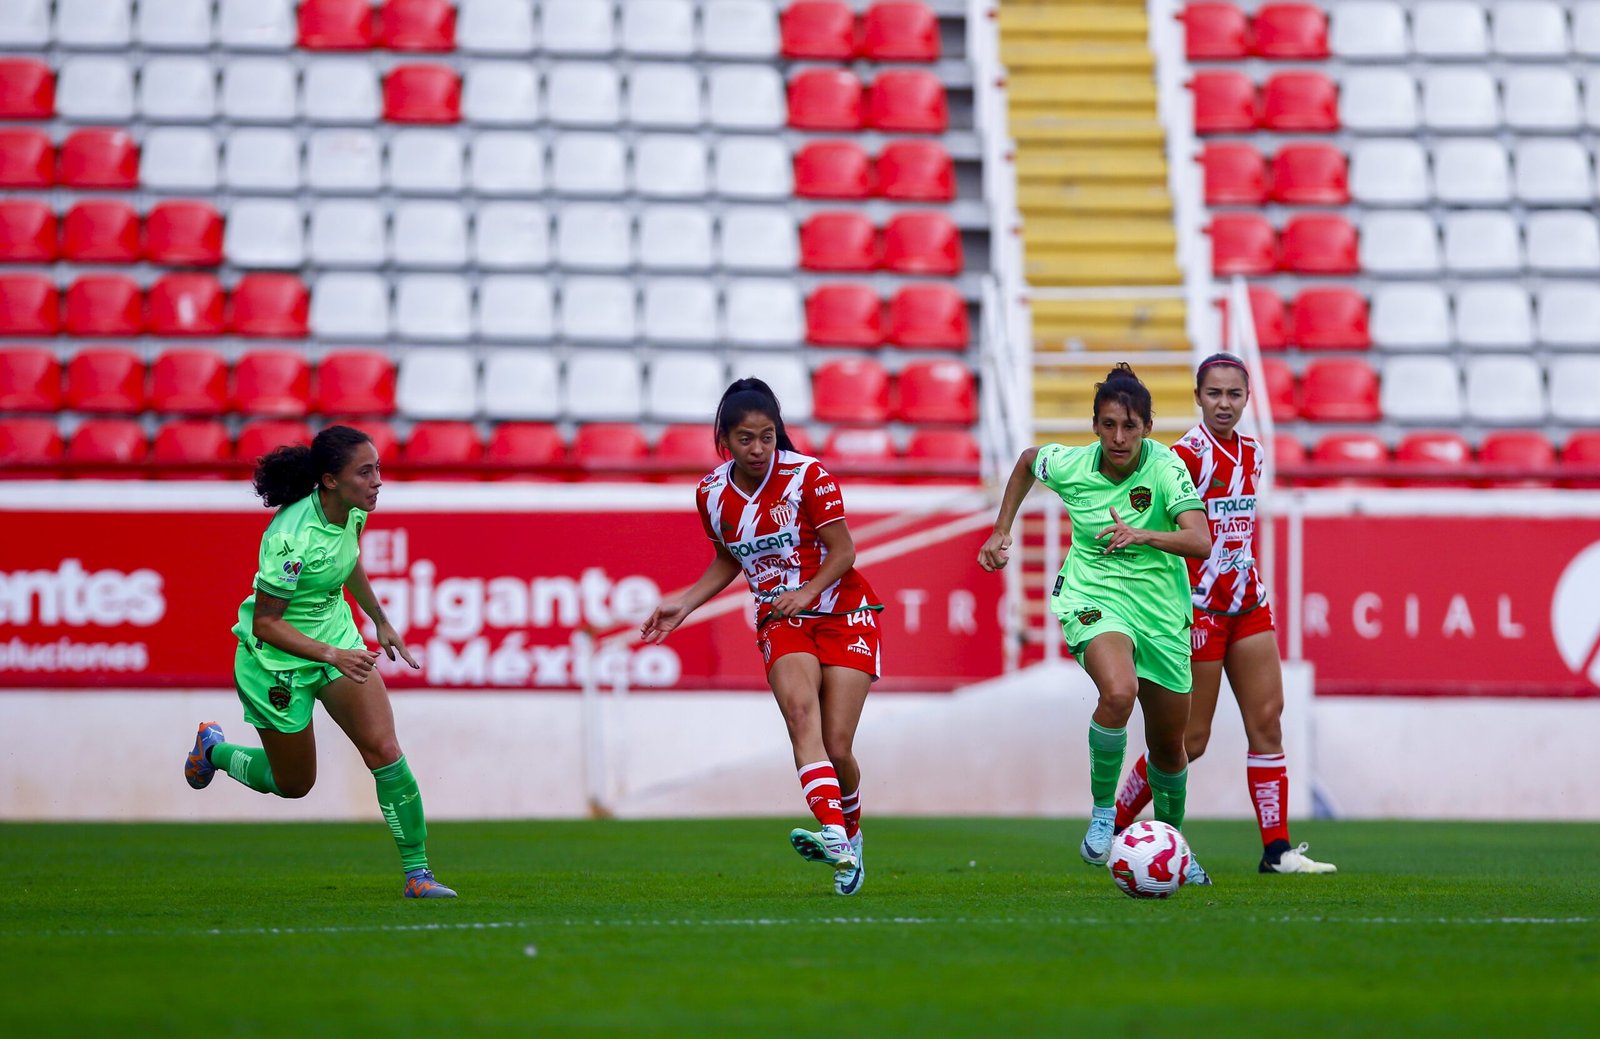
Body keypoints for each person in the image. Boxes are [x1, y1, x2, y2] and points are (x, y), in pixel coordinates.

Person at [182, 425, 456, 899]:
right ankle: (215, 751)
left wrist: (379, 620)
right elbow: (266, 624)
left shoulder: (353, 512)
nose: (377, 481)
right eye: (365, 471)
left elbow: (346, 561)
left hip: (338, 644)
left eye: (378, 469)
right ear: (330, 480)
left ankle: (418, 874)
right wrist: (333, 654)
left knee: (385, 750)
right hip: (274, 662)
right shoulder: (288, 539)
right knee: (293, 785)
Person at [641, 378, 883, 896]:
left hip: (845, 612)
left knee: (838, 746)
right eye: (746, 438)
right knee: (802, 716)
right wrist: (683, 602)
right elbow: (730, 557)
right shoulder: (710, 493)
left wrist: (809, 590)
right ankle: (835, 837)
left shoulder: (808, 477)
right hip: (781, 618)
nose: (758, 449)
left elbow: (843, 551)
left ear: (779, 435)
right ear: (724, 440)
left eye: (767, 437)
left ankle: (850, 834)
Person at [979, 363, 1214, 884]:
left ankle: (1172, 845)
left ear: (1148, 428)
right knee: (1118, 690)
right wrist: (1001, 531)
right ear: (1094, 426)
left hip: (1161, 611)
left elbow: (1200, 540)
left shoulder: (1166, 468)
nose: (1119, 437)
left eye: (1130, 426)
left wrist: (1144, 535)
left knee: (1169, 748)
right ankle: (1104, 812)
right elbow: (1026, 462)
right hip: (1093, 597)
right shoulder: (1072, 464)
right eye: (1108, 424)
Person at [1113, 354, 1336, 875]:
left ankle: (1277, 851)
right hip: (1199, 609)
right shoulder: (1184, 457)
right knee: (1190, 740)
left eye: (1234, 394)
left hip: (1248, 602)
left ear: (1247, 398)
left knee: (1267, 721)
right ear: (1197, 397)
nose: (1224, 403)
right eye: (1214, 393)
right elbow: (1154, 519)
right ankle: (1116, 825)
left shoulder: (1254, 453)